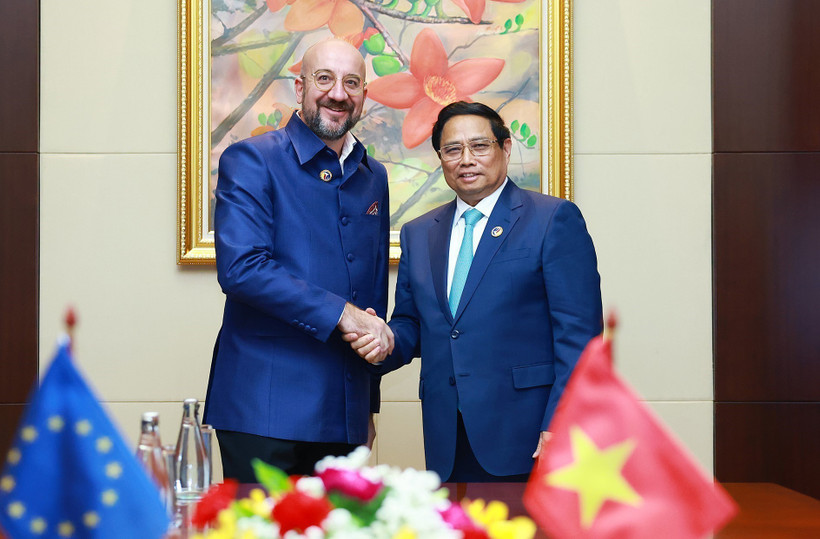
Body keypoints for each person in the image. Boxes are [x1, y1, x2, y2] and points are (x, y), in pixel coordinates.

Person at [347, 101, 602, 482]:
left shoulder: (552, 219)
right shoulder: (420, 232)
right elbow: (412, 324)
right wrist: (381, 340)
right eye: (452, 150)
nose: (466, 159)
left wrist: (560, 423)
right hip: (447, 435)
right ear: (440, 158)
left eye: (480, 146)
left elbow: (580, 338)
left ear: (506, 148)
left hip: (528, 434)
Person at [204, 39, 393, 482]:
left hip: (345, 414)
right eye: (324, 79)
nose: (338, 93)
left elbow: (371, 298)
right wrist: (343, 315)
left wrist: (367, 404)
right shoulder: (252, 159)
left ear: (364, 93)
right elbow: (242, 269)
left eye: (352, 82)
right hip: (263, 411)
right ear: (299, 87)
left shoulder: (374, 176)